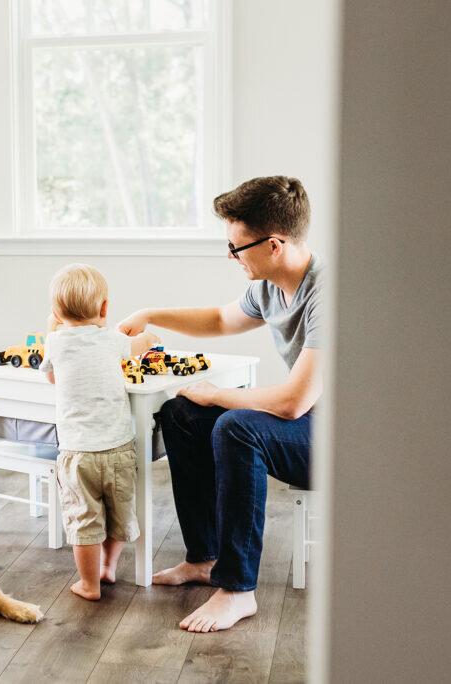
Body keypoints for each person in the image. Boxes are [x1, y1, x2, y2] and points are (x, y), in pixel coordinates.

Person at [118, 176, 322, 632]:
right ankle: (206, 559)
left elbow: (292, 403)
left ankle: (237, 589)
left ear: (274, 244)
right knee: (182, 414)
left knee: (234, 425)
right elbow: (217, 319)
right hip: (307, 425)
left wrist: (217, 394)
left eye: (235, 247)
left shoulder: (328, 294)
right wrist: (150, 314)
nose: (229, 257)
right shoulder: (269, 286)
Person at [39, 264, 160, 601]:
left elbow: (51, 378)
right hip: (119, 447)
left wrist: (54, 328)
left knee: (84, 520)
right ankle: (109, 566)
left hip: (77, 454)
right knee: (119, 510)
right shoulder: (114, 340)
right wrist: (149, 338)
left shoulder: (56, 343)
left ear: (56, 314)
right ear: (105, 309)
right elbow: (141, 346)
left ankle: (89, 584)